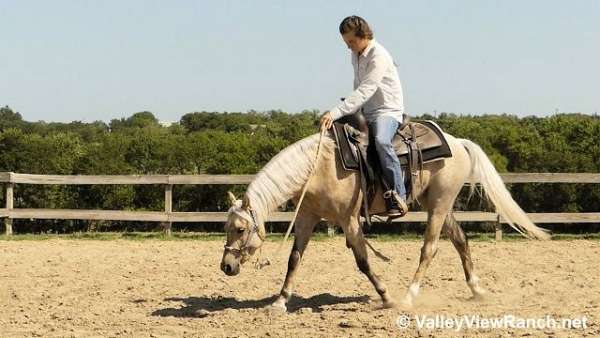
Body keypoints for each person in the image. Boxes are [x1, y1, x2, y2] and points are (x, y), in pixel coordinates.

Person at [319, 15, 408, 217]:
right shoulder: (357, 54)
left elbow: (366, 90)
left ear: (363, 35)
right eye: (346, 43)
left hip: (387, 111)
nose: (349, 46)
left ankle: (398, 194)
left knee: (381, 141)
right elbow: (357, 87)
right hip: (366, 109)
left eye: (351, 41)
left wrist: (335, 112)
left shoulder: (379, 56)